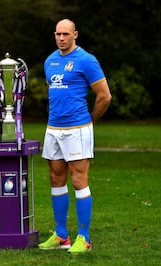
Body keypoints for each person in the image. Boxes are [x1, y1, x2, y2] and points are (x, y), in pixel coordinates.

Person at [38, 19, 111, 254]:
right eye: (58, 34)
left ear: (75, 35)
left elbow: (104, 96)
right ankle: (61, 236)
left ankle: (85, 238)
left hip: (77, 129)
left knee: (79, 181)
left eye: (66, 34)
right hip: (53, 128)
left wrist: (89, 121)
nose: (61, 38)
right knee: (55, 178)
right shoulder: (50, 60)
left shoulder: (86, 60)